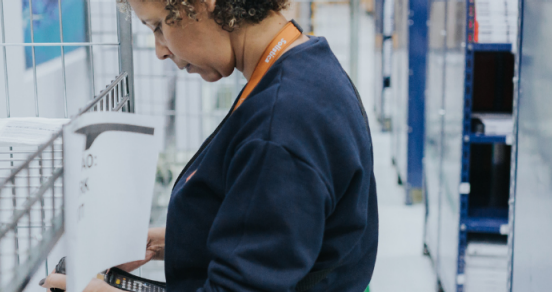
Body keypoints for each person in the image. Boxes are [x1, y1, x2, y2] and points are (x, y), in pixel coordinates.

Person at [41, 0, 378, 290]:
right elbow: (280, 224)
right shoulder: (305, 64)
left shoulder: (280, 127)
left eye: (158, 26)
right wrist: (171, 240)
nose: (160, 50)